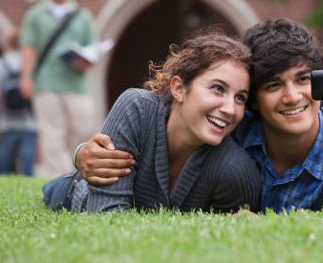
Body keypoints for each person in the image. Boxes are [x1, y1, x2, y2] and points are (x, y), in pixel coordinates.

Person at [74, 18, 323, 213]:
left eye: (303, 79)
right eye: (274, 84)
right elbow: (165, 116)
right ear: (255, 102)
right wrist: (82, 154)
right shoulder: (235, 124)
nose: (293, 96)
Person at [42, 33, 261, 213]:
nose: (230, 109)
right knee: (55, 189)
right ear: (178, 88)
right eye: (217, 88)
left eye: (240, 97)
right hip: (75, 191)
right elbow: (105, 216)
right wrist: (79, 154)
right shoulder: (136, 108)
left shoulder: (235, 170)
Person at [19, 0, 98, 177]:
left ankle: (75, 171)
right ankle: (59, 177)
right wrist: (25, 77)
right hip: (46, 82)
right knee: (52, 132)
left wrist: (84, 61)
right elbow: (28, 48)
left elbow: (93, 50)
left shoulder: (83, 16)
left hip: (77, 84)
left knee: (82, 129)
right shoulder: (35, 15)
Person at [0, 30, 37, 175]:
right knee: (27, 165)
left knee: (3, 164)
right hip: (30, 124)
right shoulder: (31, 64)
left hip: (5, 124)